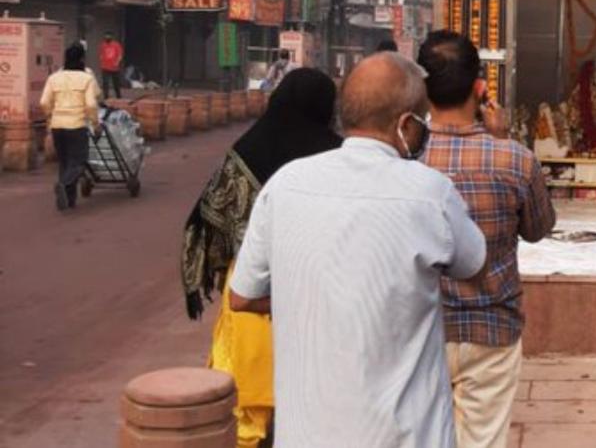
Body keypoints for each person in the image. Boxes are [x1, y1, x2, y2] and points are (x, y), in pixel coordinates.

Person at [228, 53, 486, 448]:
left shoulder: (286, 184)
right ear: (405, 124)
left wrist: (314, 295)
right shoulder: (429, 192)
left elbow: (242, 297)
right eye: (422, 122)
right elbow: (474, 265)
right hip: (405, 437)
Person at [180, 68, 343, 448]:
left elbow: (210, 221)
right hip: (321, 289)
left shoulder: (249, 149)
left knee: (248, 399)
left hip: (252, 290)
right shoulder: (338, 155)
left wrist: (220, 268)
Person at [418, 30, 556, 448]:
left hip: (421, 329)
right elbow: (538, 228)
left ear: (422, 89)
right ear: (480, 89)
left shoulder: (405, 158)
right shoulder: (515, 159)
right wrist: (501, 140)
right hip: (492, 328)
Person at [40, 43, 100, 211]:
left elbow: (44, 102)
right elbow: (91, 105)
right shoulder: (86, 78)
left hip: (57, 126)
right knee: (79, 162)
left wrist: (50, 118)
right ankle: (63, 184)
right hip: (77, 125)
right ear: (82, 59)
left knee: (65, 163)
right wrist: (96, 124)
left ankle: (69, 200)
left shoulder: (54, 78)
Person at [99, 32, 124, 99]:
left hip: (114, 68)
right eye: (106, 36)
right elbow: (101, 55)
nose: (107, 37)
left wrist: (117, 62)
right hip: (105, 67)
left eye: (108, 36)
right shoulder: (103, 45)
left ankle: (118, 96)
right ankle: (106, 96)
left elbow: (120, 55)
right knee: (105, 83)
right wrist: (102, 61)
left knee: (116, 83)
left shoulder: (116, 45)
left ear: (112, 37)